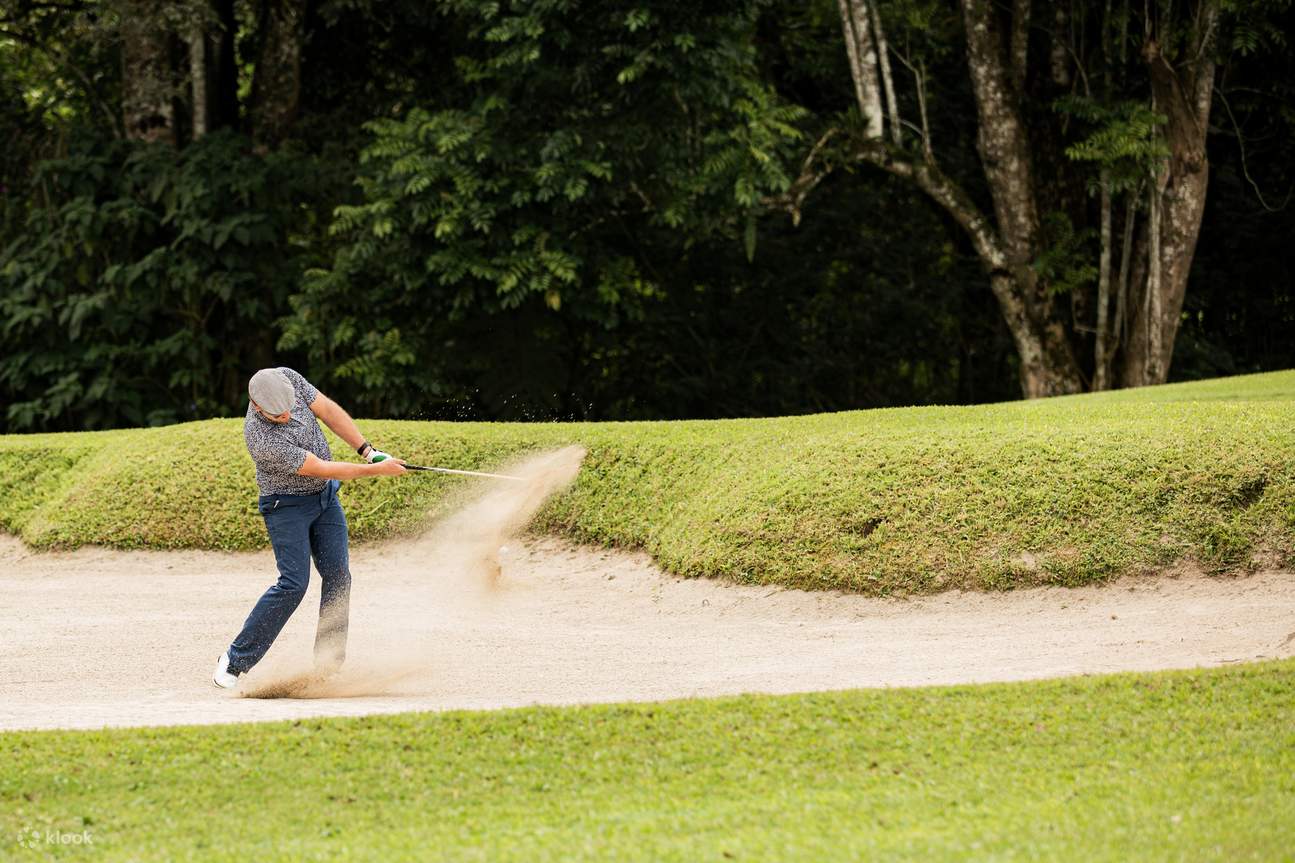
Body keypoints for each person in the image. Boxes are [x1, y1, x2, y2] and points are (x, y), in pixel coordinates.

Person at [213, 367, 406, 689]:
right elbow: (321, 468)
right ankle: (234, 660)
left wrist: (368, 451)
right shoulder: (261, 438)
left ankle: (327, 666)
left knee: (338, 576)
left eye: (290, 407)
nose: (287, 416)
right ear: (257, 407)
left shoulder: (289, 377)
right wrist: (377, 471)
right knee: (293, 584)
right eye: (278, 415)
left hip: (325, 499)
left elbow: (328, 410)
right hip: (285, 507)